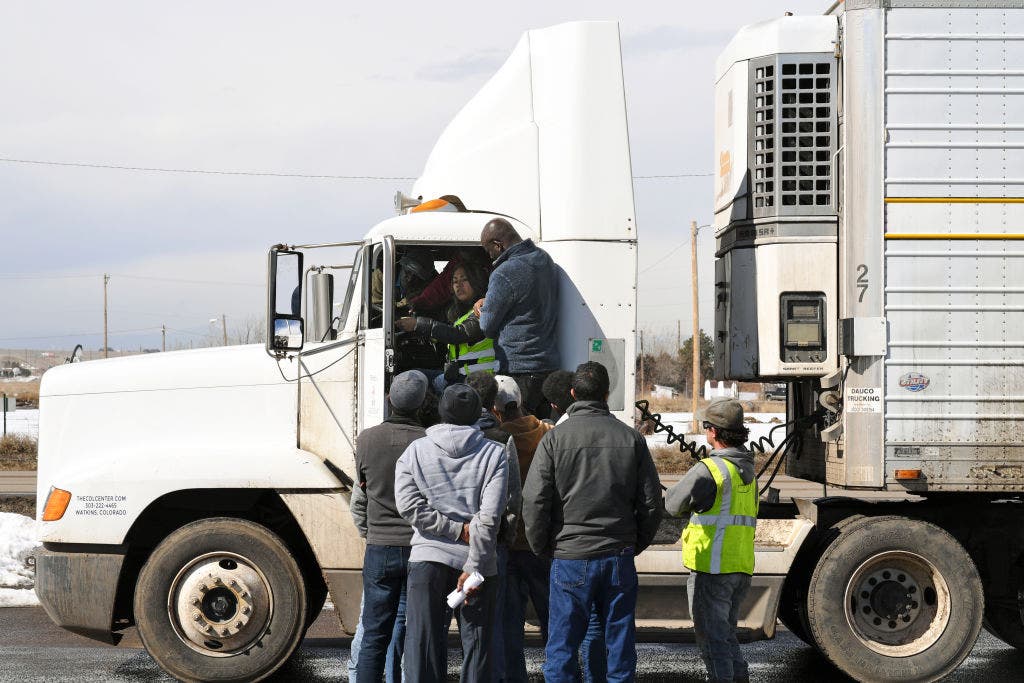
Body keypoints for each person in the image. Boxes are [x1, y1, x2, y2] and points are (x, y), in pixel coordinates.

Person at [522, 362, 663, 682]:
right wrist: (633, 543)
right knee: (619, 646)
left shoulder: (555, 439)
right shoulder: (631, 439)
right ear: (607, 393)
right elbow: (652, 505)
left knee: (562, 647)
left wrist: (542, 546)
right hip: (618, 556)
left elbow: (534, 501)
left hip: (570, 557)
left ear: (573, 394)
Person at [395, 384, 509, 683]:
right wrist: (473, 564)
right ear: (477, 415)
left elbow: (408, 507)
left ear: (441, 412)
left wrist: (451, 530)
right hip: (477, 563)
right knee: (478, 648)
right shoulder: (495, 454)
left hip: (427, 559)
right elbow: (490, 517)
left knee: (424, 647)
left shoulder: (415, 452)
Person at [665, 398, 758, 683]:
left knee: (713, 640)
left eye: (706, 426)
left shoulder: (710, 469)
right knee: (726, 636)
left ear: (713, 432)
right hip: (739, 566)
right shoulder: (746, 470)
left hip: (712, 568)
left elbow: (672, 505)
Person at [353, 371, 429, 683]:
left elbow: (362, 489)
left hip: (380, 546)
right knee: (415, 630)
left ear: (389, 400)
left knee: (374, 632)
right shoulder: (428, 442)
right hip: (421, 547)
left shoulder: (366, 439)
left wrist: (370, 533)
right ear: (423, 403)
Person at [490, 375, 555, 683]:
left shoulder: (495, 440)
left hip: (508, 544)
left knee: (509, 626)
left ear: (495, 410)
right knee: (553, 622)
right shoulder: (548, 433)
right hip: (542, 544)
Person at [475, 218, 559, 418]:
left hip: (519, 370)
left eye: (489, 251)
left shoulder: (505, 272)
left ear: (498, 245)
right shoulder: (543, 259)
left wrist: (482, 308)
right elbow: (526, 300)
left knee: (517, 432)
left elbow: (487, 326)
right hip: (547, 366)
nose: (490, 256)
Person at [398, 262, 496, 391]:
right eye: (455, 281)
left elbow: (458, 334)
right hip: (461, 377)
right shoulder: (461, 314)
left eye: (464, 279)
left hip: (479, 382)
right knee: (412, 376)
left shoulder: (483, 308)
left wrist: (417, 324)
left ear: (476, 281)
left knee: (412, 382)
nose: (458, 285)